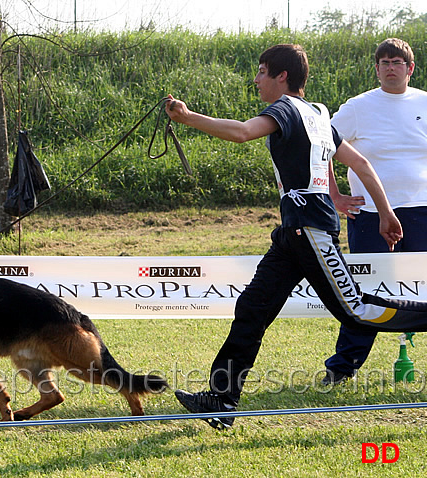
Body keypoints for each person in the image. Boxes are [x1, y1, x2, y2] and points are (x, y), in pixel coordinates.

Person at [165, 44, 427, 430]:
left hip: (311, 231)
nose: (256, 80)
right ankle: (222, 400)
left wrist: (187, 118)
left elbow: (242, 133)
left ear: (281, 76)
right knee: (252, 309)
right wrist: (385, 212)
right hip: (292, 234)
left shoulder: (286, 109)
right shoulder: (319, 112)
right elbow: (361, 164)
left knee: (357, 311)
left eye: (261, 72)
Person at [322, 38, 427, 385]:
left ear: (410, 68)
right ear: (377, 68)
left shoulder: (424, 103)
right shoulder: (357, 107)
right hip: (369, 215)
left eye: (398, 62)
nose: (391, 67)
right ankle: (342, 368)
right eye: (384, 62)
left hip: (421, 212)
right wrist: (335, 195)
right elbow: (319, 149)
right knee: (366, 291)